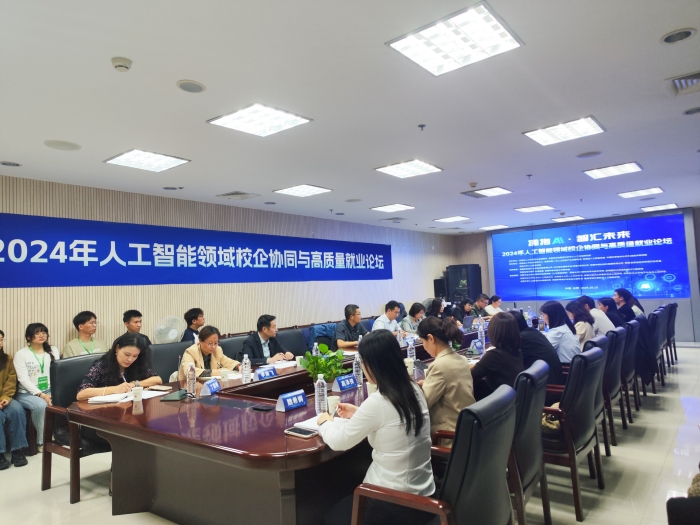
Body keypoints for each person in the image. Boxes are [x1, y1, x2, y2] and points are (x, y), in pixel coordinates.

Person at [317, 330, 436, 525]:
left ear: (372, 365)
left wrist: (324, 422)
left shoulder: (379, 401)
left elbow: (339, 441)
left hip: (390, 501)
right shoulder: (414, 388)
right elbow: (394, 419)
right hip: (423, 495)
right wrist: (359, 412)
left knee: (326, 517)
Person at [416, 317, 475, 440]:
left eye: (423, 342)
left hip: (448, 435)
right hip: (467, 429)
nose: (424, 347)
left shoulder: (439, 366)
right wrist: (427, 383)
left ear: (431, 338)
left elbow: (423, 404)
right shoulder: (462, 359)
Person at [13, 323, 60, 451]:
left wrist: (54, 392)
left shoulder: (53, 350)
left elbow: (58, 372)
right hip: (26, 393)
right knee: (40, 405)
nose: (41, 335)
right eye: (37, 333)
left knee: (62, 400)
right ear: (28, 337)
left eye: (44, 333)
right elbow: (23, 379)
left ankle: (60, 435)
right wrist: (42, 395)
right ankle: (42, 441)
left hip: (49, 389)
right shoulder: (21, 354)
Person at [77, 333, 162, 401]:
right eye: (127, 354)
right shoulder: (101, 366)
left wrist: (134, 384)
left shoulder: (136, 363)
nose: (130, 359)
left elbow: (157, 379)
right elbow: (81, 394)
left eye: (135, 356)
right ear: (117, 348)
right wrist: (115, 389)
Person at [469, 313, 524, 400]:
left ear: (493, 331)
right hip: (511, 398)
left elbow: (470, 376)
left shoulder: (494, 356)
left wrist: (470, 367)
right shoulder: (517, 350)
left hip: (499, 402)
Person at [509, 311, 565, 385]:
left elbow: (511, 362)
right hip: (548, 379)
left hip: (548, 385)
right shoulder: (533, 332)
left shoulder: (523, 338)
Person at [0, 330, 28, 469]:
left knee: (17, 410)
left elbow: (11, 380)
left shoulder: (7, 359)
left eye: (1, 339)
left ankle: (18, 450)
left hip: (5, 397)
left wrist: (5, 397)